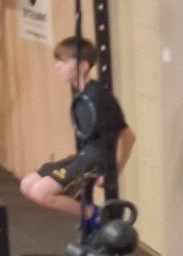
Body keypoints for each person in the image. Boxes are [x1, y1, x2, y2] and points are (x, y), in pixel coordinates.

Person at [20, 35, 134, 223]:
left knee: (41, 192)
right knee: (28, 184)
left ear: (83, 66)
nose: (57, 67)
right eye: (58, 61)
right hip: (84, 155)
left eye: (64, 62)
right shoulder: (79, 93)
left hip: (97, 159)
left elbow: (128, 136)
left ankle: (96, 216)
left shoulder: (98, 96)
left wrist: (113, 171)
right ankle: (86, 210)